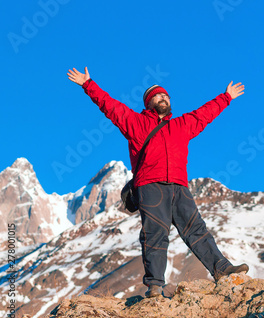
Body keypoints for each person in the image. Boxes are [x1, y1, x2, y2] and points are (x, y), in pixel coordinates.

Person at [67, 67, 248, 297]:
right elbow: (110, 106)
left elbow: (204, 114)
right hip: (150, 186)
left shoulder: (181, 125)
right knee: (155, 235)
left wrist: (226, 97)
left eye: (166, 95)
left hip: (179, 186)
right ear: (149, 103)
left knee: (197, 230)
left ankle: (222, 269)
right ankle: (155, 287)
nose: (163, 97)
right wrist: (88, 84)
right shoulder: (135, 123)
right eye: (157, 95)